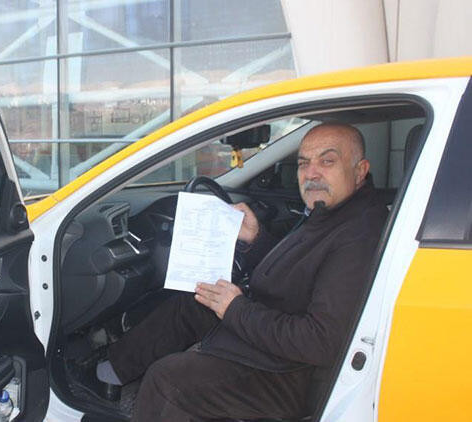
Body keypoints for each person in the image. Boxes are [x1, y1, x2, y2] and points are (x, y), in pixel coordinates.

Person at [96, 123, 389, 421]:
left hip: (289, 375)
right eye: (304, 163)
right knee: (193, 302)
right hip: (271, 337)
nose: (311, 173)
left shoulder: (358, 236)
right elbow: (298, 275)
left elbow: (319, 342)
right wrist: (256, 239)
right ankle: (109, 374)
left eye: (327, 161)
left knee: (168, 382)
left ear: (360, 170)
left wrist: (236, 309)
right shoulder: (332, 212)